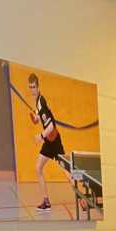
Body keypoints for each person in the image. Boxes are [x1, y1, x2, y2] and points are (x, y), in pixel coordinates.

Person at [28, 73, 76, 213]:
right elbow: (40, 117)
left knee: (65, 171)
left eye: (34, 87)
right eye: (30, 87)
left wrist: (40, 136)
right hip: (51, 140)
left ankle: (82, 198)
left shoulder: (41, 102)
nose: (32, 90)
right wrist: (35, 119)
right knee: (39, 168)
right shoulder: (38, 101)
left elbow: (50, 126)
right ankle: (47, 201)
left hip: (52, 140)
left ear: (38, 87)